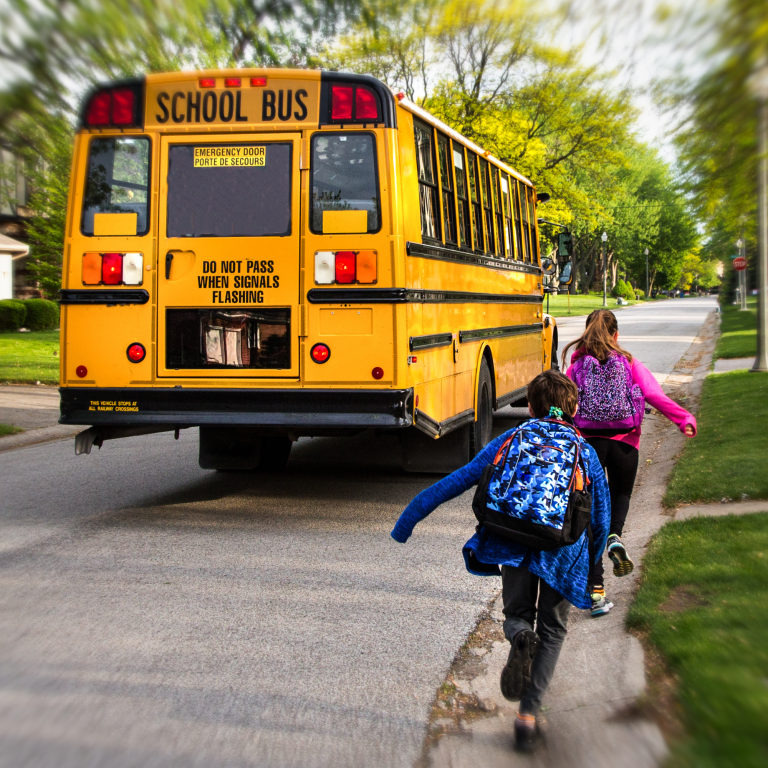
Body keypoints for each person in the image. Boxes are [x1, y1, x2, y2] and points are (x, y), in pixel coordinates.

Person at [391, 370, 610, 753]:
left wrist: (408, 520)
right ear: (572, 406)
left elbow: (456, 481)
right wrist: (596, 572)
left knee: (516, 615)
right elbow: (602, 517)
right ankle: (527, 717)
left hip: (512, 542)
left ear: (531, 405)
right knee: (554, 630)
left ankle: (520, 637)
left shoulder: (510, 439)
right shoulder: (585, 452)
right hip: (561, 552)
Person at [562, 309, 696, 617]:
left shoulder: (576, 367)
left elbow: (562, 406)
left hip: (589, 447)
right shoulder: (630, 363)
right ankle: (616, 536)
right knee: (620, 496)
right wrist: (683, 419)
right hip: (625, 445)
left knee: (589, 520)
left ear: (586, 333)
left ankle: (596, 593)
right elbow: (654, 395)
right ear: (616, 335)